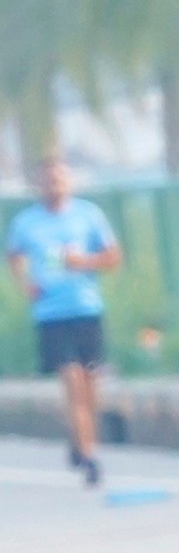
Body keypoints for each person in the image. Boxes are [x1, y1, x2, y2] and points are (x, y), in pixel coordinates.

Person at [6, 153, 121, 486]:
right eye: (48, 180)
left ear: (68, 182)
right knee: (71, 378)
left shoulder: (88, 215)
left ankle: (79, 439)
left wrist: (83, 261)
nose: (54, 185)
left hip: (86, 308)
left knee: (90, 384)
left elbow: (112, 257)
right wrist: (25, 283)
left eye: (59, 179)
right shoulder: (26, 222)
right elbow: (14, 256)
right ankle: (90, 457)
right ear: (39, 185)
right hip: (51, 314)